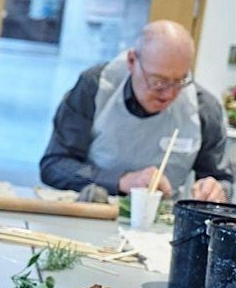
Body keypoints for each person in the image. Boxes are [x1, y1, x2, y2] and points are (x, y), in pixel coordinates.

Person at [40, 20, 231, 202]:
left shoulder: (203, 108)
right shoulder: (95, 88)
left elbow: (222, 180)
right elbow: (55, 166)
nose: (169, 94)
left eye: (180, 81)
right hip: (92, 210)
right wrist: (123, 181)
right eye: (159, 82)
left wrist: (216, 190)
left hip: (160, 223)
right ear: (132, 61)